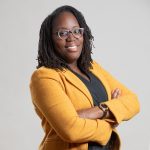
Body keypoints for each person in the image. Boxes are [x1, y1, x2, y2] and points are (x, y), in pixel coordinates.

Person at [29, 5, 140, 150]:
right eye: (62, 33)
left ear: (83, 34)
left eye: (76, 31)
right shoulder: (44, 77)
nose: (71, 38)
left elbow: (133, 101)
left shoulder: (93, 67)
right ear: (50, 39)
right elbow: (71, 130)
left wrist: (100, 110)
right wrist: (111, 118)